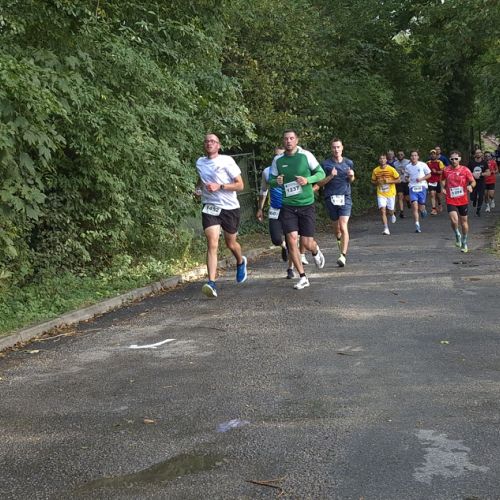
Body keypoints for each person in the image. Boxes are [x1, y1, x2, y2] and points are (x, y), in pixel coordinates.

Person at [269, 129, 326, 290]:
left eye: (291, 138)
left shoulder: (306, 155)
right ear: (283, 141)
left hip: (306, 204)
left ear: (296, 140)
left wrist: (307, 180)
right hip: (288, 205)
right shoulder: (278, 160)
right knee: (292, 239)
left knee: (306, 242)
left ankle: (315, 250)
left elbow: (321, 174)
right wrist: (276, 181)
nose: (288, 141)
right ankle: (302, 277)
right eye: (286, 138)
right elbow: (270, 180)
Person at [195, 133, 247, 298]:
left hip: (229, 208)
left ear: (218, 145)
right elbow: (201, 180)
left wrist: (220, 186)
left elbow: (240, 185)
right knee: (212, 243)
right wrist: (197, 189)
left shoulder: (227, 161)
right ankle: (211, 283)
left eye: (213, 141)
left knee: (231, 243)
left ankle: (240, 261)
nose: (209, 143)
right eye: (207, 141)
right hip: (210, 206)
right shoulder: (200, 162)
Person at [256, 147, 295, 278]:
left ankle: (290, 268)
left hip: (290, 208)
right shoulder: (267, 172)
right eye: (276, 156)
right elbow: (263, 190)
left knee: (292, 240)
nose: (278, 158)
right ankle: (283, 246)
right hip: (275, 209)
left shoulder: (292, 169)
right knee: (276, 239)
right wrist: (260, 208)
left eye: (281, 155)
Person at [316, 138, 355, 267]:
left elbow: (351, 180)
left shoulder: (349, 162)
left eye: (338, 147)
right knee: (337, 229)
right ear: (331, 149)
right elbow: (320, 183)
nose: (336, 149)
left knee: (343, 226)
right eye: (334, 147)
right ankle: (339, 241)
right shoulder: (325, 164)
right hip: (330, 198)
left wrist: (351, 176)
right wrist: (331, 176)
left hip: (345, 197)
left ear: (342, 148)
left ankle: (343, 256)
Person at [441, 151, 476, 253]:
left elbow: (473, 181)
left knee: (464, 222)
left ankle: (464, 241)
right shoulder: (446, 170)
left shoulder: (465, 170)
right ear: (449, 159)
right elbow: (442, 179)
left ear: (459, 159)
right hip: (450, 198)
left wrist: (470, 186)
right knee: (454, 220)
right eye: (452, 159)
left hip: (462, 199)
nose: (454, 160)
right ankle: (457, 234)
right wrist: (443, 187)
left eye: (456, 158)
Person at [371, 154, 400, 235]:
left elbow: (399, 180)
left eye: (384, 158)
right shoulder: (375, 170)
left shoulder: (391, 169)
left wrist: (389, 181)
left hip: (390, 193)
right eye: (380, 158)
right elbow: (372, 181)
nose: (382, 160)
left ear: (386, 160)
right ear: (379, 160)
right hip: (381, 193)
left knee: (390, 210)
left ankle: (392, 214)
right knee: (383, 210)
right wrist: (377, 182)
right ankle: (386, 228)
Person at [405, 150, 431, 233]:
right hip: (412, 187)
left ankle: (423, 210)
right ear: (410, 157)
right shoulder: (408, 166)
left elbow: (429, 174)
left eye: (415, 155)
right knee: (414, 206)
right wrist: (407, 179)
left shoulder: (423, 165)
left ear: (418, 157)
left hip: (422, 186)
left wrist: (421, 179)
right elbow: (406, 176)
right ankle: (417, 224)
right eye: (412, 155)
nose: (414, 157)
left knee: (421, 206)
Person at [467, 149, 490, 217]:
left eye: (479, 153)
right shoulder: (471, 163)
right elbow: (467, 172)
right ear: (474, 155)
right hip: (473, 181)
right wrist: (473, 174)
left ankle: (478, 210)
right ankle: (474, 200)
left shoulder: (484, 163)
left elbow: (488, 173)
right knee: (472, 197)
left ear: (481, 154)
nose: (478, 154)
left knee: (481, 196)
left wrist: (481, 174)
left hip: (481, 182)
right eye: (476, 153)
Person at [426, 149, 445, 215]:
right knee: (432, 194)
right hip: (430, 181)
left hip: (438, 180)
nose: (433, 155)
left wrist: (436, 172)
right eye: (431, 154)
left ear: (436, 155)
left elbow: (443, 171)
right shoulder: (428, 163)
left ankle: (439, 203)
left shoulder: (439, 162)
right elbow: (425, 172)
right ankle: (433, 209)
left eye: (434, 154)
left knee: (438, 195)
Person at [393, 150, 410, 218]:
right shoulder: (395, 163)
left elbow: (411, 170)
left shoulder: (408, 162)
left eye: (401, 154)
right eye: (399, 155)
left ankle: (408, 201)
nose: (400, 156)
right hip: (399, 181)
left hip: (406, 181)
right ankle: (401, 212)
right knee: (400, 196)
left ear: (404, 155)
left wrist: (405, 172)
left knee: (407, 197)